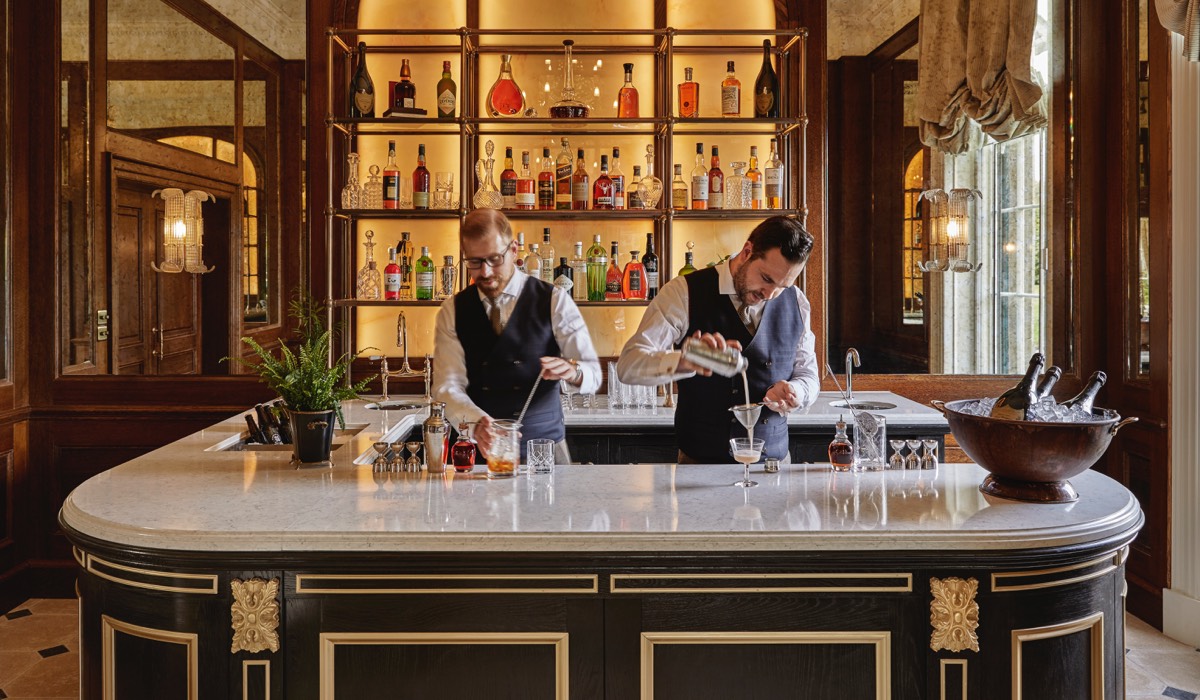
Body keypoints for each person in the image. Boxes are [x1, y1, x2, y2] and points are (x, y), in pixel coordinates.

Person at [616, 216, 819, 464]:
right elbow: (628, 365)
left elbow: (809, 376)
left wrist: (794, 391)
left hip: (774, 470)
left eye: (782, 286)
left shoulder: (797, 301)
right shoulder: (683, 292)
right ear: (747, 251)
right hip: (699, 470)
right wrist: (684, 362)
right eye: (766, 279)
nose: (770, 295)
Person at [434, 209, 601, 464]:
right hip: (481, 454)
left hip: (545, 452)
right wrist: (476, 422)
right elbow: (447, 386)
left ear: (514, 250)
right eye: (475, 262)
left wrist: (573, 371)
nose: (486, 272)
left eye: (494, 259)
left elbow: (592, 372)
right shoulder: (452, 310)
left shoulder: (554, 300)